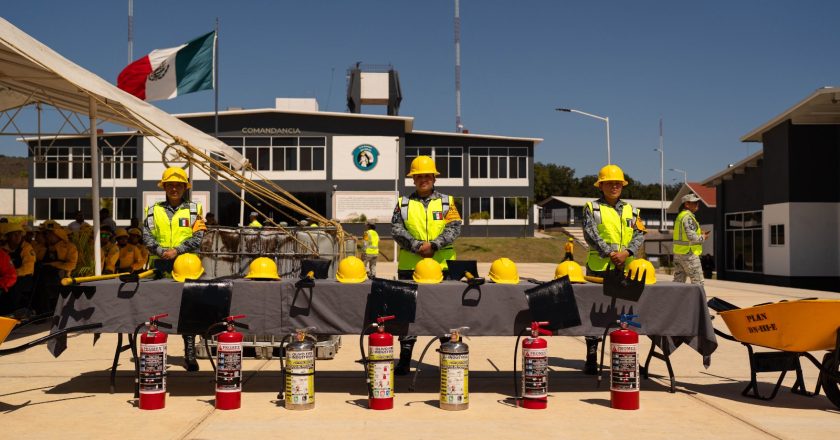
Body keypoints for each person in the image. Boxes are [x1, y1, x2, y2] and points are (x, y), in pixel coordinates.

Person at [391, 155, 462, 375]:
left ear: (434, 177)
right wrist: (416, 245)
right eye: (418, 176)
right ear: (413, 179)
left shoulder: (447, 202)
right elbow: (396, 230)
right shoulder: (403, 203)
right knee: (407, 312)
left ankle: (448, 356)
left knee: (444, 312)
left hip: (442, 266)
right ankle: (404, 360)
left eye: (427, 175)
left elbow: (454, 227)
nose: (423, 179)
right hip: (410, 266)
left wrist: (435, 245)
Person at [582, 164, 646, 374]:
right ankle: (592, 354)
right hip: (599, 267)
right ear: (601, 186)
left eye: (618, 183)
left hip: (624, 268)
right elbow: (591, 234)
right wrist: (611, 253)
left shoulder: (632, 210)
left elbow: (639, 234)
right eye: (609, 183)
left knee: (625, 312)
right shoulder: (592, 208)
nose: (614, 186)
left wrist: (626, 253)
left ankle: (626, 353)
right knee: (595, 312)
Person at [142, 167, 207, 371]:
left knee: (188, 310)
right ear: (164, 187)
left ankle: (189, 352)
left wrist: (177, 251)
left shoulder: (195, 209)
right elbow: (146, 236)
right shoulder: (153, 210)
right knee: (158, 310)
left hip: (187, 265)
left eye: (178, 185)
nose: (174, 188)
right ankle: (156, 351)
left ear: (184, 187)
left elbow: (198, 238)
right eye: (170, 185)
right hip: (160, 265)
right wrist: (161, 251)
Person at [33, 220, 78, 314]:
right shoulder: (39, 247)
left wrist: (52, 265)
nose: (46, 236)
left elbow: (71, 265)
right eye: (44, 234)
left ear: (56, 234)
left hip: (62, 276)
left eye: (48, 233)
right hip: (41, 277)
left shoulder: (70, 247)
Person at [672, 194, 709, 285]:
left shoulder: (680, 216)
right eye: (694, 202)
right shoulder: (688, 217)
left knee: (678, 282)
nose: (697, 204)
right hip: (689, 254)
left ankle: (674, 299)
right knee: (698, 282)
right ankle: (697, 300)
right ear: (687, 204)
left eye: (697, 202)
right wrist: (703, 237)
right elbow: (691, 237)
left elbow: (685, 234)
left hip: (679, 253)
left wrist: (699, 233)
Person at [0, 222, 32, 314]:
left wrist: (11, 273)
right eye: (14, 234)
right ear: (7, 236)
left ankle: (11, 312)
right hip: (6, 277)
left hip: (24, 278)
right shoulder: (3, 249)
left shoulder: (26, 248)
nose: (18, 237)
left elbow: (28, 268)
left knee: (13, 287)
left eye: (19, 234)